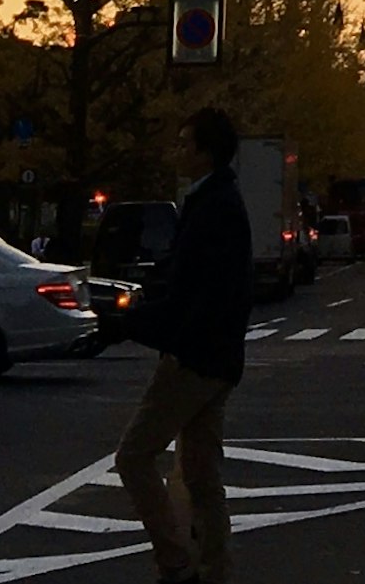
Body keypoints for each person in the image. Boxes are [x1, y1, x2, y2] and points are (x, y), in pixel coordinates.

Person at [116, 106, 252, 584]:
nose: (177, 151)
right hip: (220, 360)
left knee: (133, 456)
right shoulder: (220, 202)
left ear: (204, 151)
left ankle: (175, 561)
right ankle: (215, 569)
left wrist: (134, 322)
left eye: (184, 143)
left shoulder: (212, 209)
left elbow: (193, 295)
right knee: (201, 476)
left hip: (192, 359)